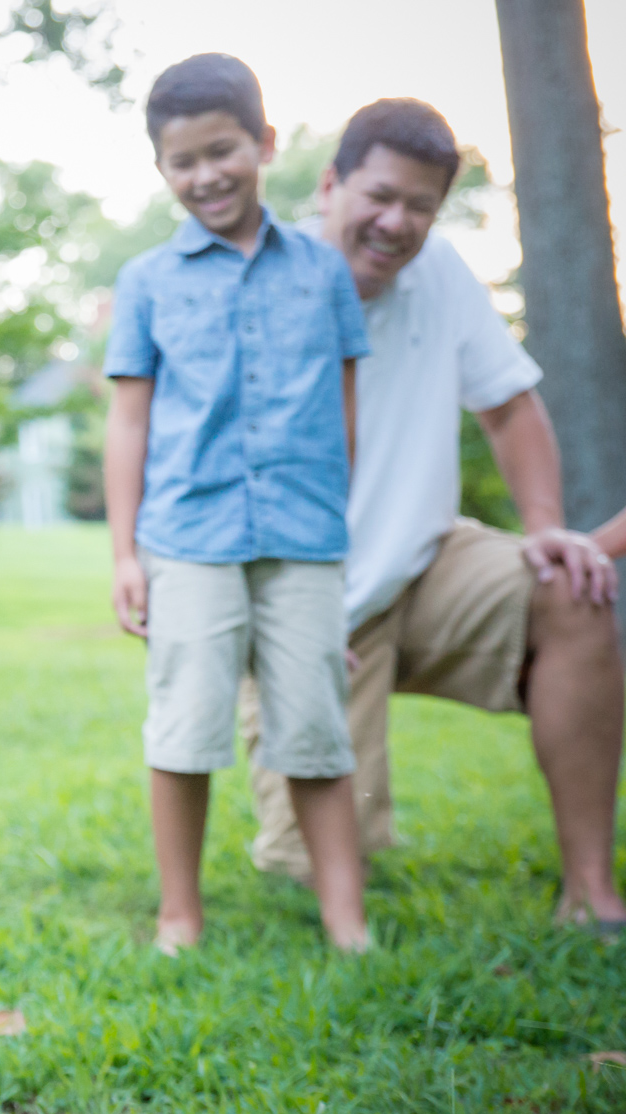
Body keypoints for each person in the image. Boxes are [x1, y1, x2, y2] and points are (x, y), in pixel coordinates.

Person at [246, 98, 626, 933]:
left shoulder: (440, 275)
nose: (396, 223)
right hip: (297, 596)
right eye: (379, 196)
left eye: (420, 206)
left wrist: (544, 526)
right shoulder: (258, 283)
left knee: (575, 589)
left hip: (423, 564)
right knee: (303, 865)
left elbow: (511, 409)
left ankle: (591, 892)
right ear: (330, 182)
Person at [103, 53, 371, 954]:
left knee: (315, 729)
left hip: (303, 536)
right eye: (184, 162)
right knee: (183, 729)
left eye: (223, 151)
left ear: (263, 143)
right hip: (188, 536)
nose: (206, 175)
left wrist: (342, 531)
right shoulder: (147, 281)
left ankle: (347, 919)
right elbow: (129, 423)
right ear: (162, 171)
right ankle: (181, 914)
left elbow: (344, 413)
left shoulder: (325, 273)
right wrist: (126, 553)